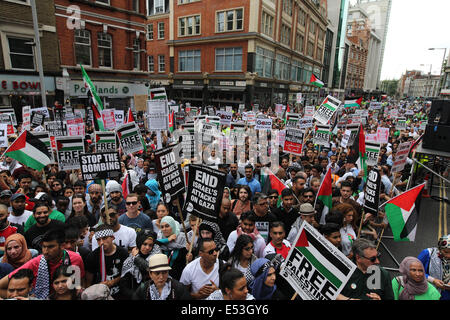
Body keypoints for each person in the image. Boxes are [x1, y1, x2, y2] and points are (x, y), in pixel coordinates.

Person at [0, 227, 85, 300]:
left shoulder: (75, 259)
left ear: (62, 246)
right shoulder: (37, 262)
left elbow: (78, 285)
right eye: (44, 247)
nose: (46, 251)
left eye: (50, 247)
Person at [85, 225, 129, 300]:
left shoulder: (122, 253)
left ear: (112, 237)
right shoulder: (92, 256)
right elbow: (88, 282)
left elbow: (127, 274)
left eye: (104, 238)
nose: (101, 242)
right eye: (98, 240)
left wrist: (112, 282)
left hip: (121, 294)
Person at [119, 229, 161, 299]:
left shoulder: (156, 255)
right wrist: (135, 296)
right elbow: (123, 286)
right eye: (144, 244)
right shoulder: (130, 260)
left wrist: (137, 258)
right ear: (139, 243)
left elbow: (152, 269)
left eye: (150, 245)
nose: (147, 248)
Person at [417, 234, 450, 300]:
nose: (449, 256)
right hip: (428, 292)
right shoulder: (427, 254)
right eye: (446, 252)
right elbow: (414, 272)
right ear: (440, 248)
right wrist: (433, 280)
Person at [157, 216, 187, 280]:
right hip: (162, 278)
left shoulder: (182, 238)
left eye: (167, 226)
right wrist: (167, 240)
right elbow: (153, 242)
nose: (164, 229)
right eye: (162, 227)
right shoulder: (160, 238)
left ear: (173, 226)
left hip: (178, 278)